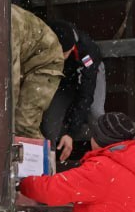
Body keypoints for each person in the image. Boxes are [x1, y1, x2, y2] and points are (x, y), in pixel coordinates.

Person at [41, 19, 105, 166]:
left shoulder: (87, 52)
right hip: (63, 80)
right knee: (49, 123)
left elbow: (86, 94)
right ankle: (48, 168)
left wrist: (71, 133)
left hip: (90, 75)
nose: (60, 57)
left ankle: (106, 162)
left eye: (63, 54)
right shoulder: (46, 36)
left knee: (96, 114)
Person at [10, 5, 64, 140]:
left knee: (24, 124)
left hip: (45, 61)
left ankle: (43, 159)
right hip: (26, 57)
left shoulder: (8, 26)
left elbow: (11, 80)